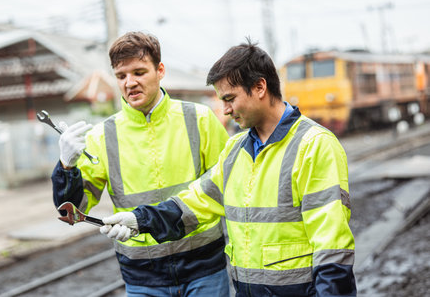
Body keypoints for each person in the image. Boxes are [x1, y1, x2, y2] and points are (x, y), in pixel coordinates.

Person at [103, 40, 357, 296]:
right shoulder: (236, 150)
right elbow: (196, 202)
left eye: (230, 99)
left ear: (260, 87)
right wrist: (140, 219)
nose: (225, 110)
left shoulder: (313, 146)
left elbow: (331, 246)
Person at [51, 31, 230, 296]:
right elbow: (73, 211)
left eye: (139, 72)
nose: (130, 83)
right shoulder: (102, 136)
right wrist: (66, 168)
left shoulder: (200, 120)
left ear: (160, 70)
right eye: (121, 76)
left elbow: (230, 187)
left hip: (203, 269)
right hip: (143, 277)